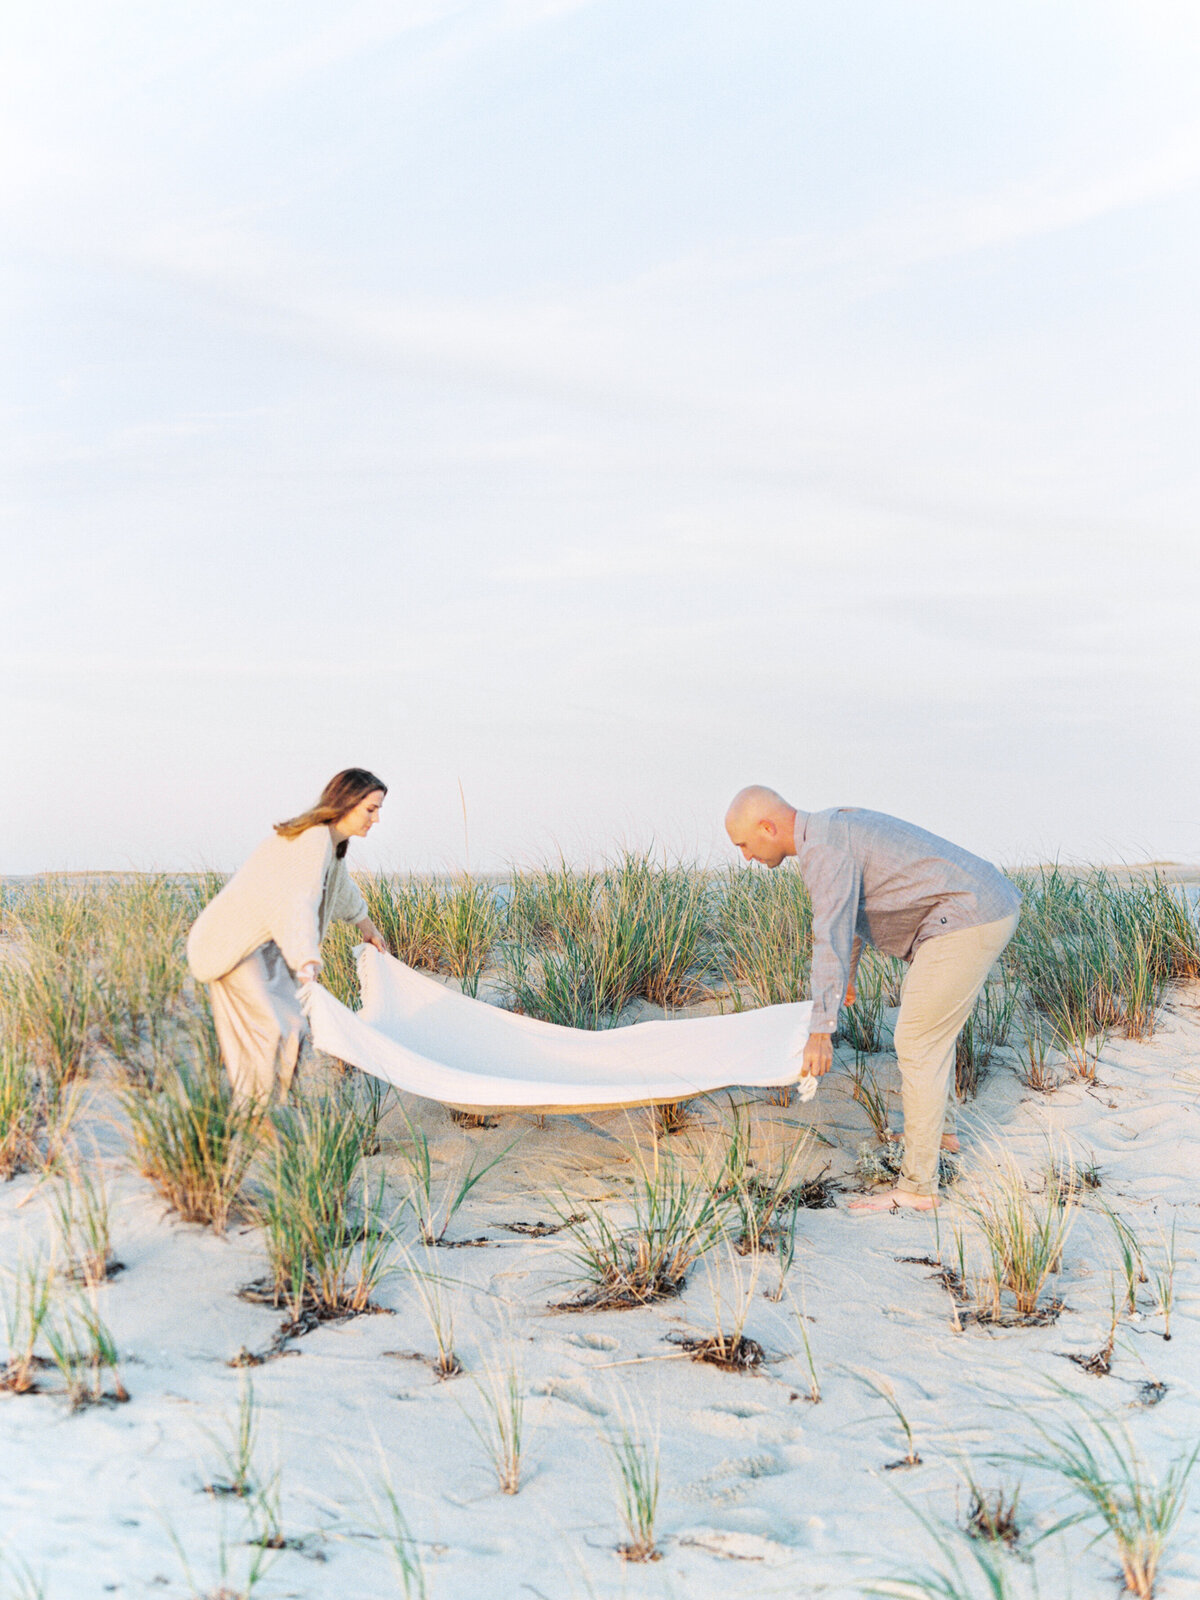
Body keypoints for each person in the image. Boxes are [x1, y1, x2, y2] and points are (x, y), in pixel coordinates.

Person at [724, 786, 1021, 1211]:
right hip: (978, 906)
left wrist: (821, 1031)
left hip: (967, 916)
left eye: (745, 845)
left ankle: (918, 1188)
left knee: (917, 1041)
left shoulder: (822, 850)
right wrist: (846, 976)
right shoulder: (829, 827)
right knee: (929, 1034)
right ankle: (942, 1134)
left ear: (767, 828)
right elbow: (854, 911)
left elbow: (828, 934)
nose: (746, 857)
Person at [187, 768, 389, 1106]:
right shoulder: (312, 839)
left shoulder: (330, 843)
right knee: (270, 1030)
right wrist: (306, 959)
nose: (377, 818)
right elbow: (297, 901)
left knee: (292, 1025)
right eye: (371, 809)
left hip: (265, 948)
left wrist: (366, 927)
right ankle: (256, 1115)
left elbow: (340, 889)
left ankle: (270, 1105)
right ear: (347, 802)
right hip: (233, 946)